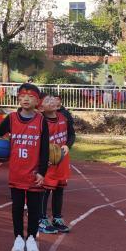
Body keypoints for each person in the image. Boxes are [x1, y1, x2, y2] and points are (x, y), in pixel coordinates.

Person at [0, 83, 49, 251]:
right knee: (17, 207)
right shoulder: (11, 118)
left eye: (30, 97)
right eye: (23, 96)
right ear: (18, 98)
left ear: (37, 101)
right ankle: (18, 237)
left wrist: (42, 171)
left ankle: (32, 238)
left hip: (34, 172)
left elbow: (45, 149)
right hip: (17, 171)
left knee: (34, 208)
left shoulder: (41, 121)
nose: (26, 99)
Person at [39, 95, 75, 235]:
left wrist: (67, 145)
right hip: (47, 161)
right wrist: (43, 158)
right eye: (47, 101)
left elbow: (72, 134)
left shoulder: (64, 117)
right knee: (45, 190)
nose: (52, 101)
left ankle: (57, 218)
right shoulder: (40, 121)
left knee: (59, 189)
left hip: (62, 159)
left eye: (52, 99)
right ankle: (41, 219)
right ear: (41, 107)